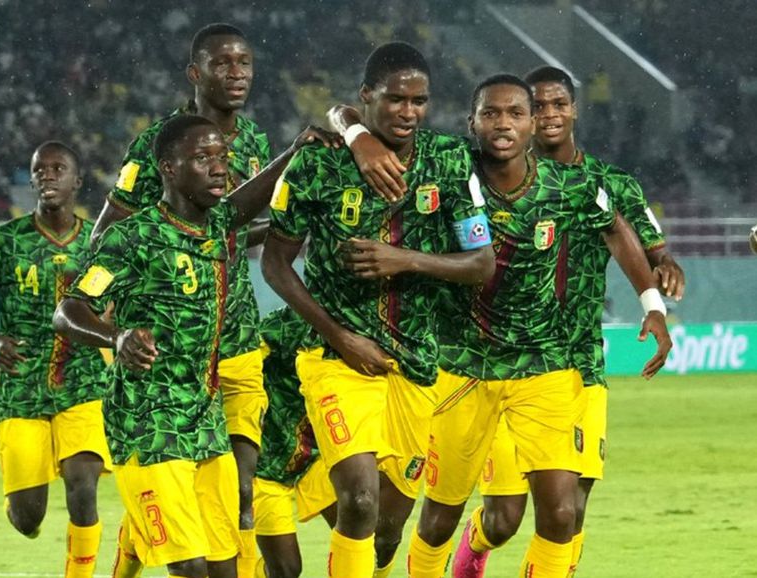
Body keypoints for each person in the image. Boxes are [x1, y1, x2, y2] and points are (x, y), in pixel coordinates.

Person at [332, 74, 671, 578]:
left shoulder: (570, 184)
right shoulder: (447, 164)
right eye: (490, 113)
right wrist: (356, 134)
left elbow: (617, 230)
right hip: (462, 363)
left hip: (545, 365)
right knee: (440, 520)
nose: (504, 124)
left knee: (562, 513)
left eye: (515, 113)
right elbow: (343, 112)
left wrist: (653, 306)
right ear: (471, 123)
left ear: (532, 123)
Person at [90, 23, 338, 578]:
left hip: (238, 336)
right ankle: (148, 537)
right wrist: (118, 316)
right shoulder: (159, 143)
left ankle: (165, 538)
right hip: (167, 352)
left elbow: (228, 228)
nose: (236, 73)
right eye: (223, 64)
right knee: (183, 487)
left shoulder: (254, 142)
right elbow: (105, 236)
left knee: (239, 489)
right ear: (195, 73)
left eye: (244, 63)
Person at [261, 42, 495, 578]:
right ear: (367, 96)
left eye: (419, 101)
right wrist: (340, 338)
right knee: (360, 500)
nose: (408, 112)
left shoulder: (449, 160)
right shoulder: (317, 164)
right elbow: (275, 264)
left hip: (415, 362)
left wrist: (404, 259)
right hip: (334, 356)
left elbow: (481, 263)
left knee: (387, 536)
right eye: (395, 99)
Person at [54, 114, 314, 578]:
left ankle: (136, 540)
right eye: (202, 158)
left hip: (206, 418)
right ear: (169, 169)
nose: (219, 168)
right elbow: (68, 311)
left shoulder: (216, 225)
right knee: (190, 566)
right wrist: (116, 336)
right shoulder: (131, 238)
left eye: (222, 157)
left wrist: (294, 151)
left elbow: (246, 201)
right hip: (148, 420)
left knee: (224, 565)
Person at [453, 65, 687, 578]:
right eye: (537, 106)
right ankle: (474, 547)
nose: (549, 114)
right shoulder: (491, 178)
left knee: (568, 511)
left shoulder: (611, 183)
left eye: (559, 103)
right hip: (506, 361)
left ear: (574, 109)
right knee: (504, 518)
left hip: (580, 364)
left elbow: (651, 247)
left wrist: (662, 280)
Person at [0, 141, 112, 578]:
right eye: (40, 170)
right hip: (20, 386)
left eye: (58, 169)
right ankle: (22, 509)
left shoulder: (97, 244)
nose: (48, 176)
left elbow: (120, 302)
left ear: (77, 181)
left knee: (83, 486)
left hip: (82, 382)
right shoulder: (6, 241)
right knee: (28, 518)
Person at [253, 306, 337, 578]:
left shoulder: (363, 325)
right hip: (266, 465)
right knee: (287, 570)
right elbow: (238, 362)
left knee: (361, 526)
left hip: (317, 457)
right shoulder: (289, 323)